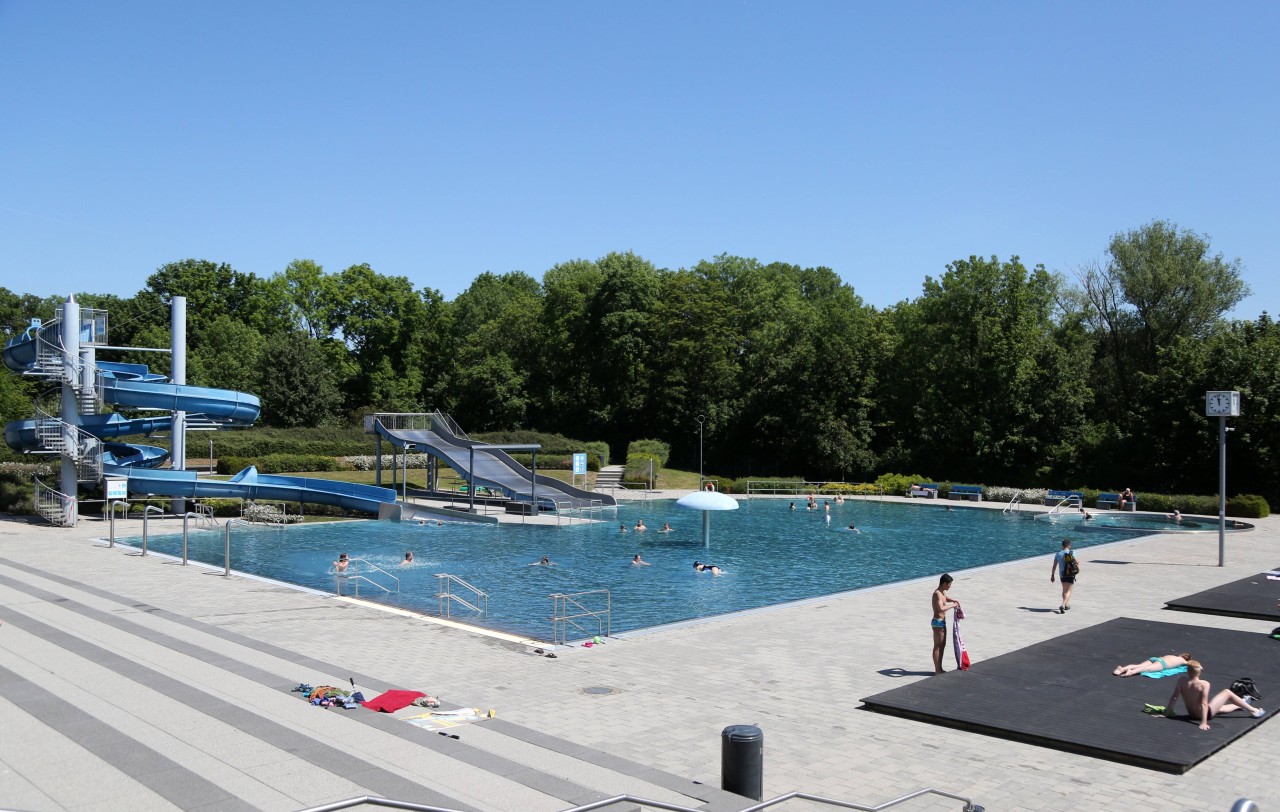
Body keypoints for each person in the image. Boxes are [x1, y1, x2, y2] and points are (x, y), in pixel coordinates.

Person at [1165, 660, 1264, 730]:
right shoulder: (1204, 684)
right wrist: (1204, 722)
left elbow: (1174, 697)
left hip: (1192, 714)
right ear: (1200, 672)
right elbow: (1204, 704)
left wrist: (1167, 712)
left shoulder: (1182, 680)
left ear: (1187, 671)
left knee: (1219, 708)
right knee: (1227, 692)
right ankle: (1254, 710)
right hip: (1204, 714)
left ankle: (1242, 704)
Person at [931, 574, 960, 674]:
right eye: (949, 584)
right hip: (937, 622)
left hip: (942, 622)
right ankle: (937, 669)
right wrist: (952, 605)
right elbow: (941, 608)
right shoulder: (937, 594)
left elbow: (945, 598)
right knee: (937, 646)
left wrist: (953, 600)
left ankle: (940, 668)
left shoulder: (942, 592)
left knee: (942, 645)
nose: (950, 586)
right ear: (944, 583)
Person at [1113, 652, 1191, 677]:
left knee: (1139, 665)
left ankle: (1122, 669)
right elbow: (1193, 664)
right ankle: (1132, 672)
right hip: (1162, 663)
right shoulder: (1183, 661)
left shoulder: (1173, 656)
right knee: (1147, 668)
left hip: (1157, 659)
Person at [1050, 538, 1076, 613]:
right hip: (1070, 573)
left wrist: (1052, 575)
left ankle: (1066, 605)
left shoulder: (1058, 554)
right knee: (1069, 590)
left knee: (1064, 590)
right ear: (1068, 545)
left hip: (1062, 574)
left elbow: (1054, 565)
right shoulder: (1072, 552)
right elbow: (1076, 562)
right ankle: (1063, 604)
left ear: (1062, 545)